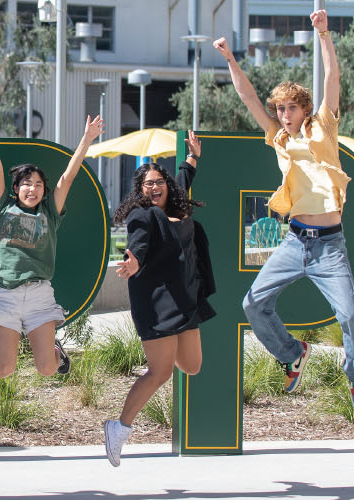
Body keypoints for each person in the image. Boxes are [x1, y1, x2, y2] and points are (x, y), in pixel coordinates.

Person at [216, 10, 354, 412]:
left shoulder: (324, 127)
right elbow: (248, 97)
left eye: (290, 109)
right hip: (295, 239)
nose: (284, 116)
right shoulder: (278, 138)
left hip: (330, 245)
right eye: (280, 110)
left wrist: (323, 35)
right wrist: (232, 60)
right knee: (253, 304)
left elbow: (332, 79)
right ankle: (291, 352)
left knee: (350, 315)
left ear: (303, 108)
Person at [0, 93, 101, 405]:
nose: (32, 188)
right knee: (5, 367)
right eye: (26, 183)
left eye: (37, 184)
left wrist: (87, 140)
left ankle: (55, 352)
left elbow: (68, 176)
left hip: (39, 296)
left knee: (48, 369)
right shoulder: (2, 208)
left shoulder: (50, 213)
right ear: (15, 188)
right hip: (4, 294)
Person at [102, 134, 215, 466]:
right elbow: (137, 241)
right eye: (147, 184)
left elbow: (182, 181)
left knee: (192, 366)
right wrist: (134, 260)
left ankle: (121, 423)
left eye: (158, 182)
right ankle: (119, 427)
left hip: (186, 299)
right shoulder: (142, 215)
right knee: (160, 372)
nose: (153, 188)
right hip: (157, 303)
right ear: (139, 191)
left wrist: (192, 159)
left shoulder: (177, 205)